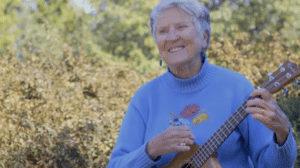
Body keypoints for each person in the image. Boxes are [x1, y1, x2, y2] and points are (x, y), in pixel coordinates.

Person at [107, 0, 297, 167]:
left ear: (204, 37)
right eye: (162, 31)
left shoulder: (237, 87)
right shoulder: (145, 97)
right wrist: (151, 149)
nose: (172, 37)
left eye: (181, 27)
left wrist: (282, 132)